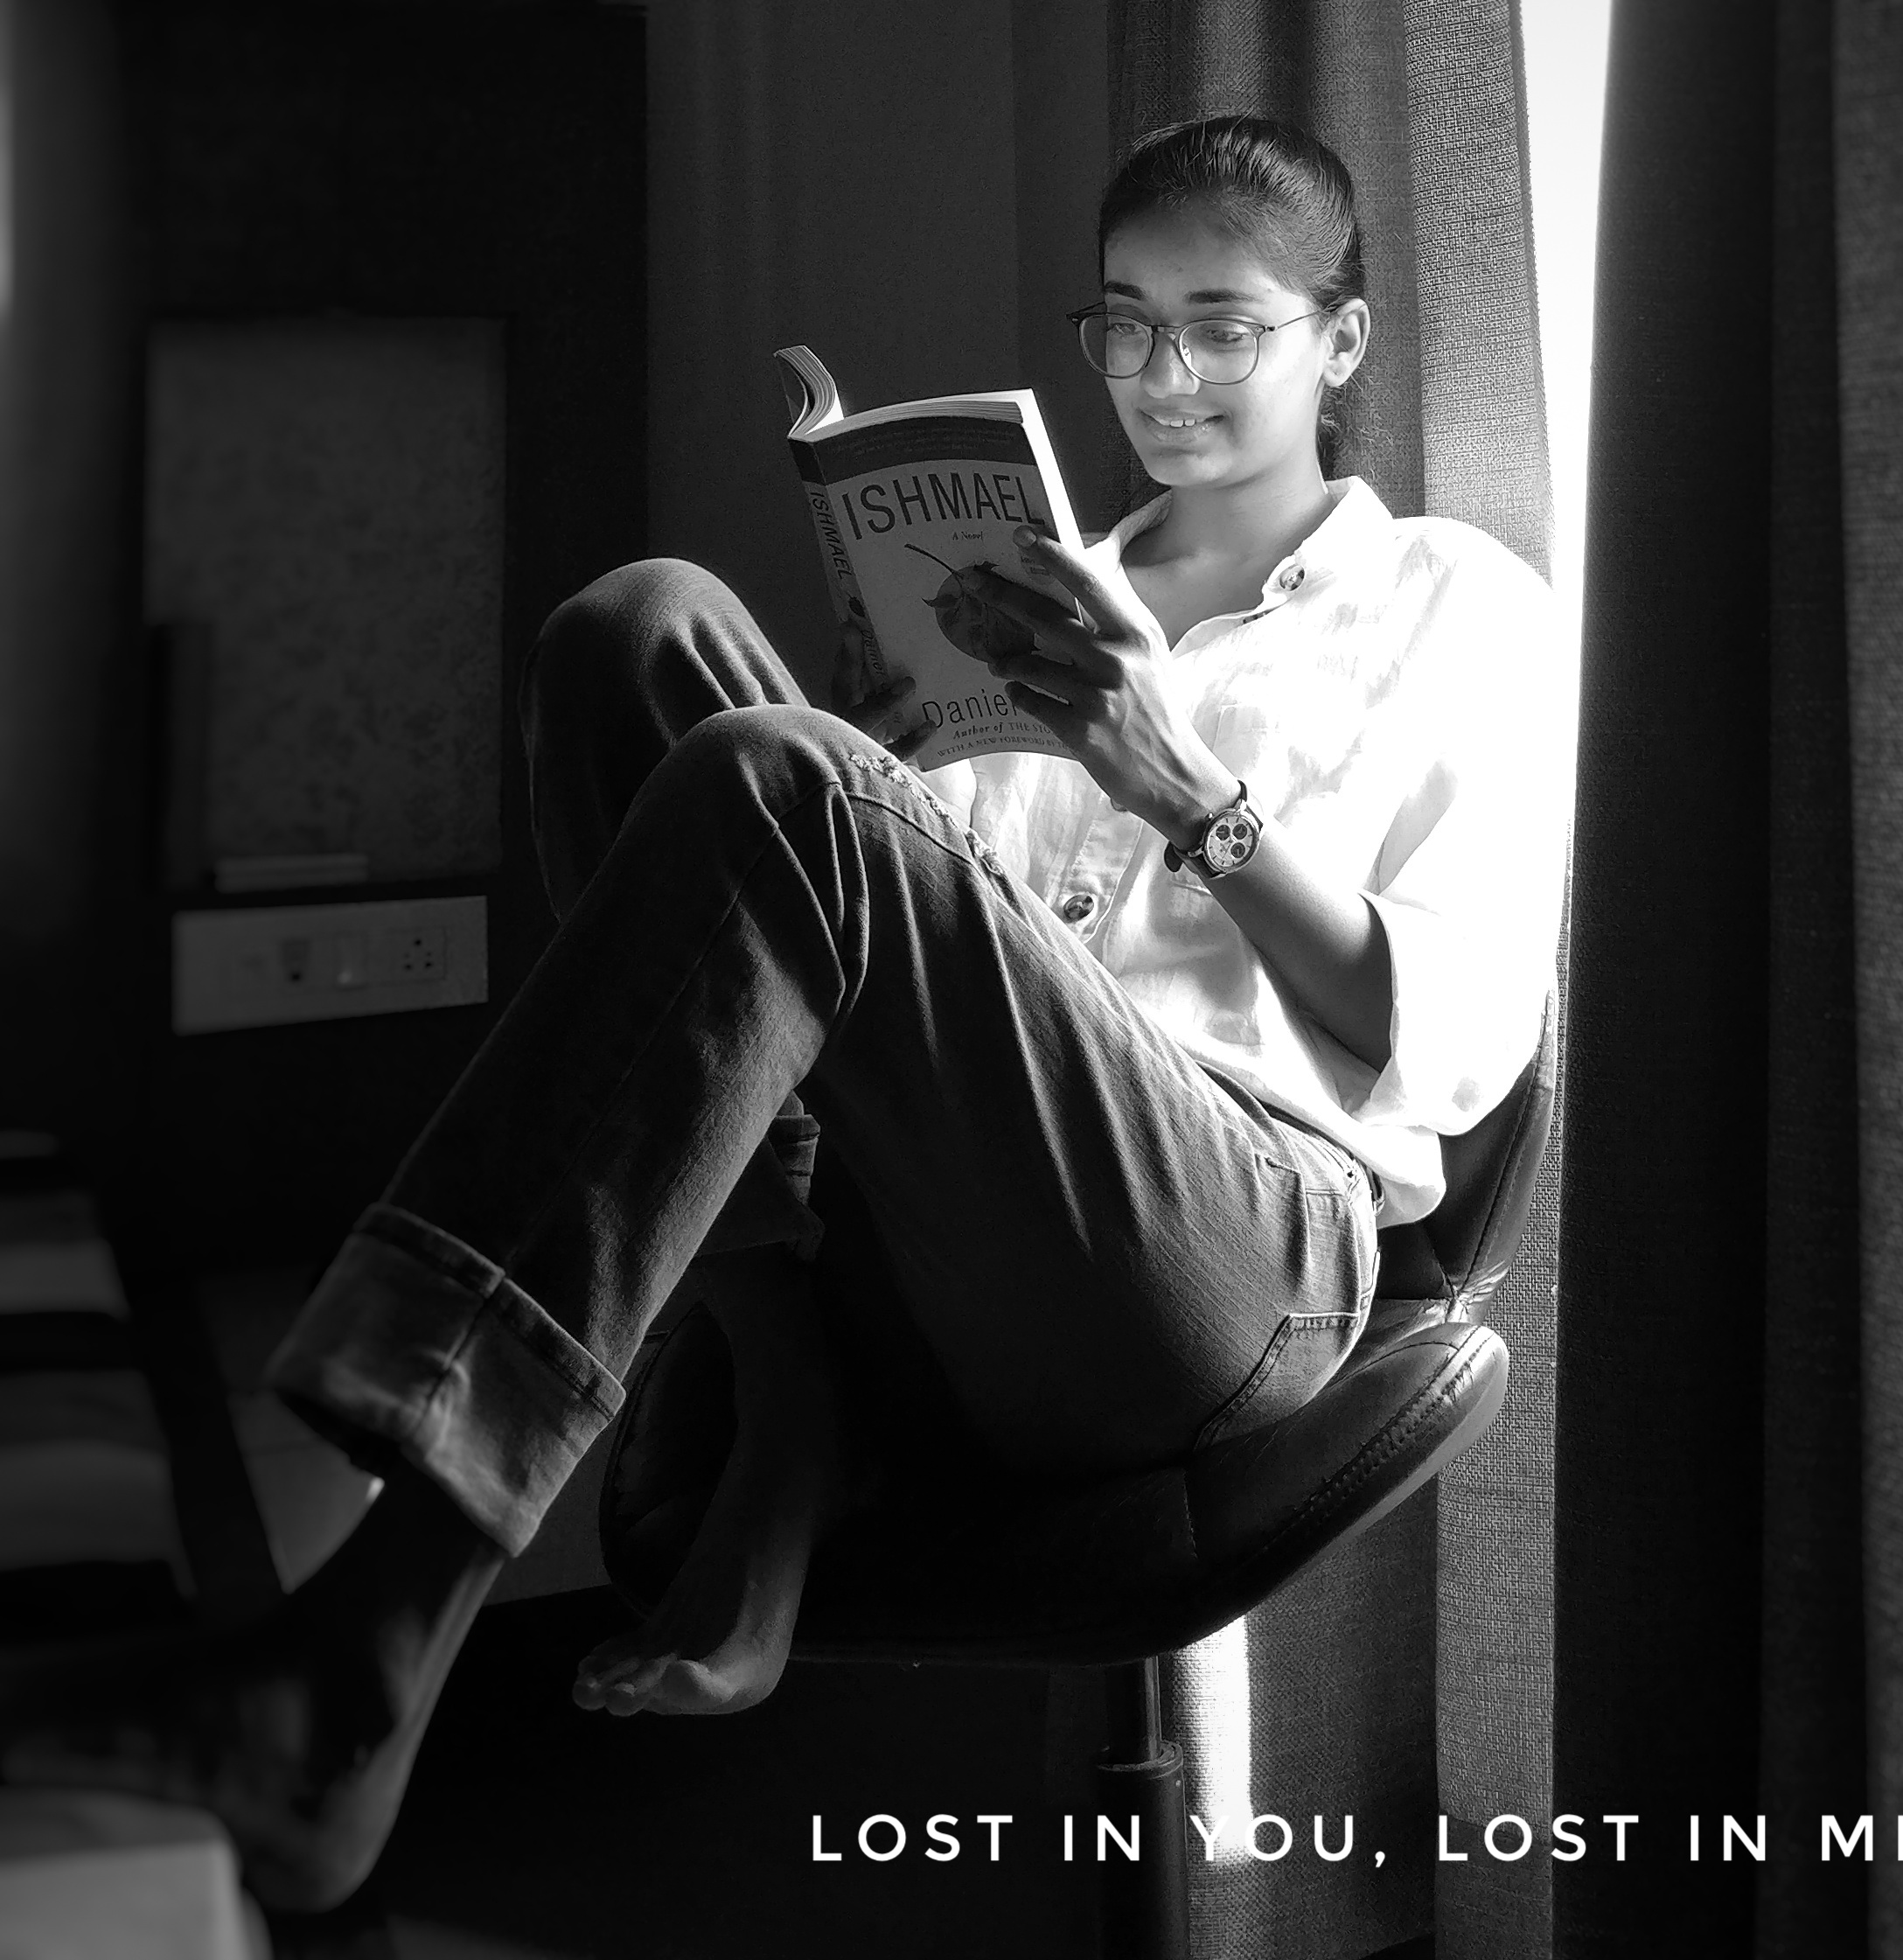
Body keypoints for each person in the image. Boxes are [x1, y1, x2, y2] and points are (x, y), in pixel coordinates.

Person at [0, 112, 1569, 1912]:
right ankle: (784, 1364)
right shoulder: (1033, 588)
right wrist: (882, 763)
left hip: (1227, 1247)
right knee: (636, 627)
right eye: (1125, 320)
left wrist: (1177, 784)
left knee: (783, 780)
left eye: (1222, 326)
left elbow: (1450, 1045)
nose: (1161, 374)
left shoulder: (1452, 603)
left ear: (1339, 341)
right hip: (921, 1229)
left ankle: (368, 1643)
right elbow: (869, 986)